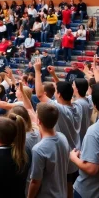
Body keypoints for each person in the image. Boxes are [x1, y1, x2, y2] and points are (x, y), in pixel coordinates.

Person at [34, 59, 82, 194]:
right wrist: (54, 75)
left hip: (67, 156)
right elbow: (64, 89)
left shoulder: (60, 109)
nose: (55, 92)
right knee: (70, 187)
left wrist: (38, 71)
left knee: (66, 190)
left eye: (56, 91)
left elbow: (39, 95)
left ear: (59, 94)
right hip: (75, 152)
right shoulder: (77, 106)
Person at [28, 103, 70, 198]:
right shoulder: (63, 137)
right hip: (62, 193)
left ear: (39, 121)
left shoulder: (38, 149)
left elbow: (35, 181)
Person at [71, 83, 99, 198]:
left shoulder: (94, 132)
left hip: (90, 191)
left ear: (95, 105)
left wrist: (74, 158)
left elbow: (92, 168)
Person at [72, 78, 93, 144]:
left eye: (73, 85)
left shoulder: (77, 104)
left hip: (79, 139)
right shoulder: (89, 100)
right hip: (85, 135)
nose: (72, 86)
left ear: (77, 89)